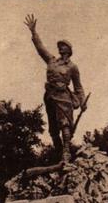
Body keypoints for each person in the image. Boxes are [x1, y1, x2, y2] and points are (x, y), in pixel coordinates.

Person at [24, 14, 86, 162]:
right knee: (53, 128)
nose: (60, 47)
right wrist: (33, 32)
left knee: (65, 124)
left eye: (63, 45)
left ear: (68, 50)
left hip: (64, 96)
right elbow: (40, 49)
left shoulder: (72, 67)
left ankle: (66, 152)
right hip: (50, 96)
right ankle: (58, 151)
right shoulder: (51, 61)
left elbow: (78, 87)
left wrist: (82, 102)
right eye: (59, 45)